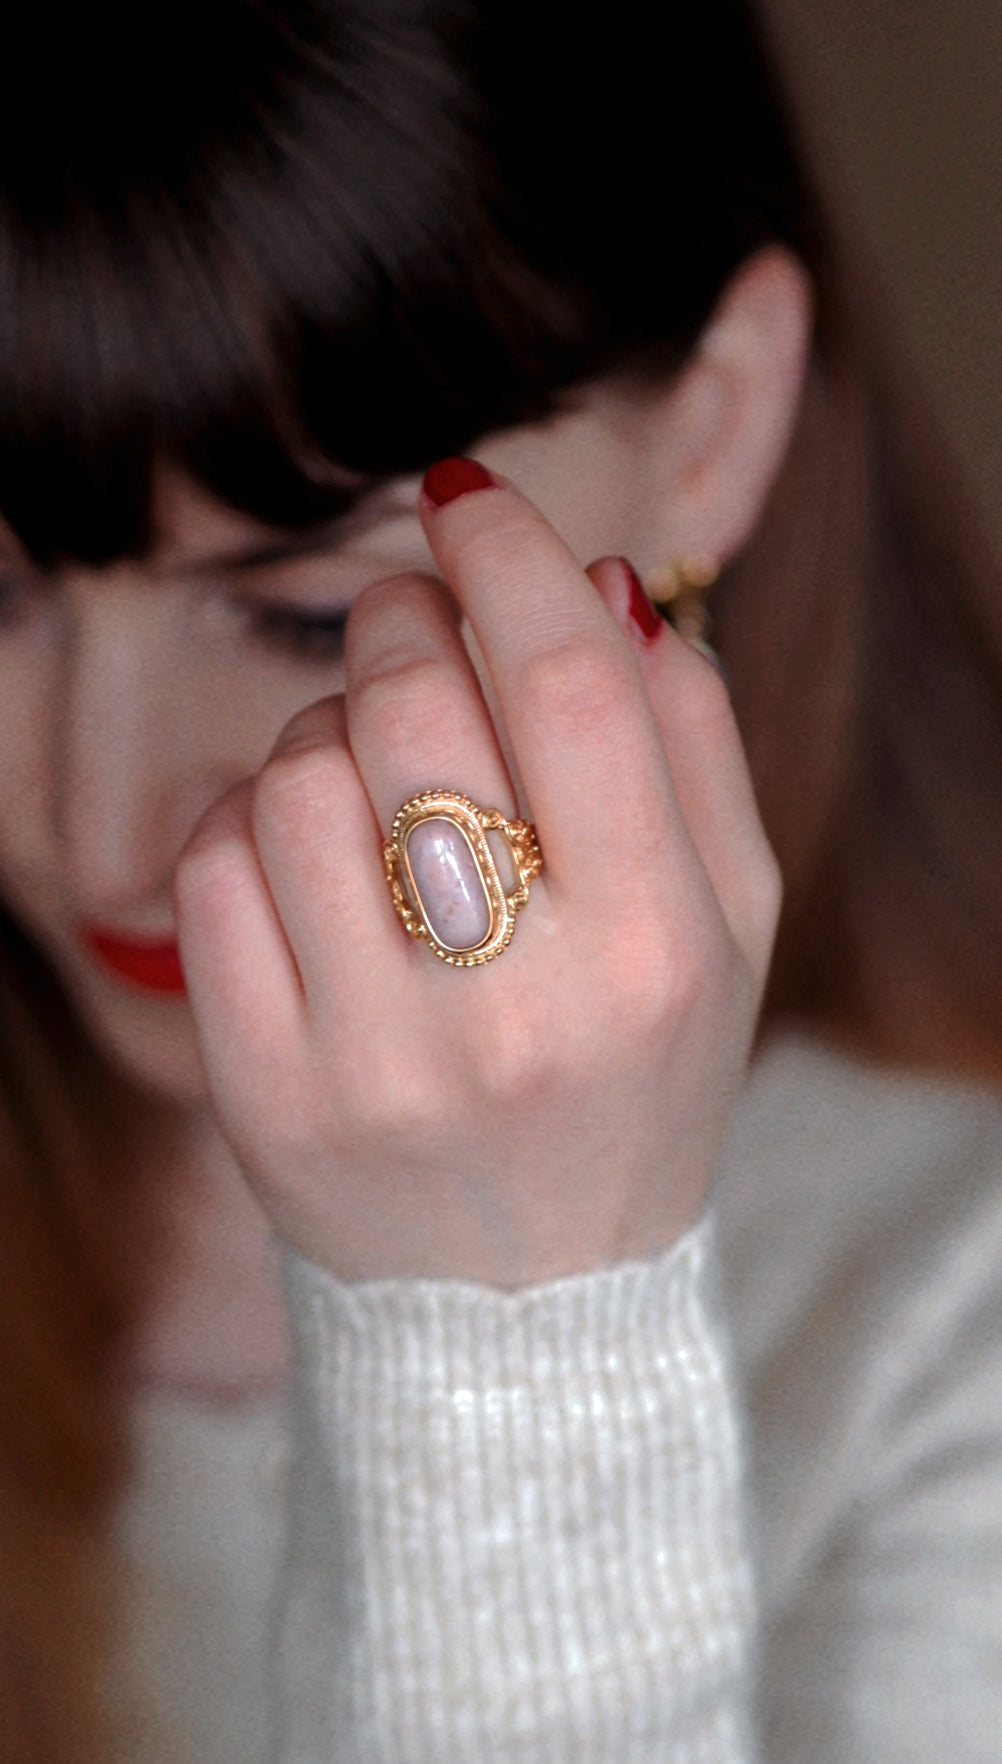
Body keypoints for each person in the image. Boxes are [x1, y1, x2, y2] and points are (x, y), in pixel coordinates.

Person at [2, 0, 1002, 1759]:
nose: (95, 831)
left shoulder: (946, 1334)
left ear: (718, 422)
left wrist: (512, 1345)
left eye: (305, 612)